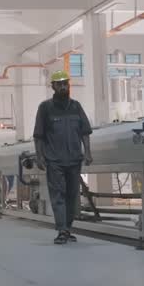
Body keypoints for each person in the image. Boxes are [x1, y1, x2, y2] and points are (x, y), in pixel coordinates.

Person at [33, 70, 93, 244]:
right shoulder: (45, 108)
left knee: (72, 196)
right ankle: (61, 229)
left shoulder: (76, 106)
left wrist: (87, 152)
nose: (62, 86)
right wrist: (39, 157)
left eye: (65, 83)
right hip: (55, 160)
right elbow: (38, 135)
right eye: (59, 84)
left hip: (74, 159)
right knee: (58, 194)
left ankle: (67, 228)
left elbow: (85, 132)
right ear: (52, 86)